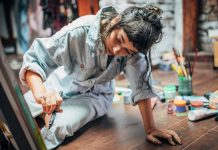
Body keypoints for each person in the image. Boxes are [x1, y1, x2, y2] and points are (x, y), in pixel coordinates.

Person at [19, 5, 182, 149]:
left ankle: (45, 119)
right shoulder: (80, 30)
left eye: (128, 51)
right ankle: (42, 113)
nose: (118, 50)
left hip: (97, 95)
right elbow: (36, 58)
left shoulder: (136, 53)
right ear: (115, 21)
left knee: (60, 126)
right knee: (19, 108)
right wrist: (42, 94)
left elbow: (142, 87)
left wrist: (151, 128)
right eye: (119, 39)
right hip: (61, 83)